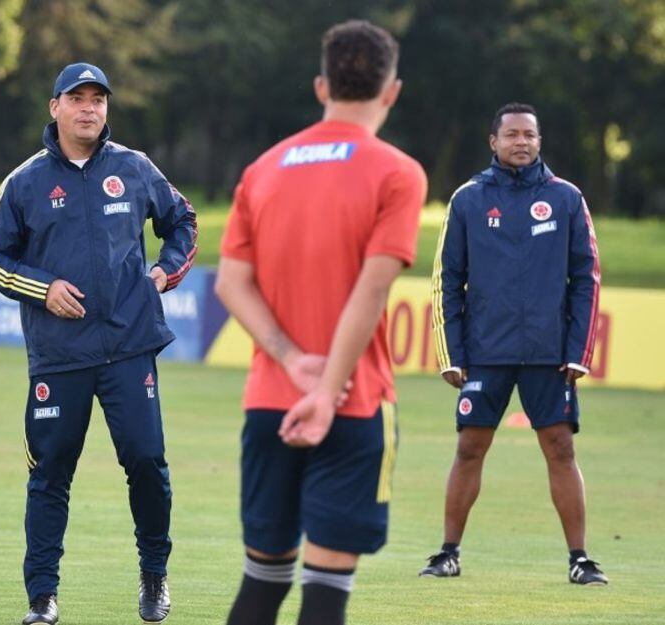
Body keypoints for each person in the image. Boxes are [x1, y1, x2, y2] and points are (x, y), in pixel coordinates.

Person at [215, 20, 426, 625]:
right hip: (353, 404)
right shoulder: (397, 172)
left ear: (320, 86)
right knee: (326, 592)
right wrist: (329, 390)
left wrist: (289, 360)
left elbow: (232, 283)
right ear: (391, 91)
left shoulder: (264, 168)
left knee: (261, 583)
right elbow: (372, 287)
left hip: (271, 403)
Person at [0, 61, 197, 625]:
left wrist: (164, 272)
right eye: (77, 98)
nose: (90, 108)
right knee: (50, 474)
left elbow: (183, 222)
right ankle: (42, 598)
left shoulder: (135, 168)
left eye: (98, 98)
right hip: (60, 356)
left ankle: (154, 575)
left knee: (147, 462)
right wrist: (42, 288)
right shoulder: (24, 181)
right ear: (55, 107)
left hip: (129, 347)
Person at [420, 102, 607, 585]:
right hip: (486, 351)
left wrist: (578, 351)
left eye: (529, 135)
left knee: (561, 448)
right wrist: (451, 354)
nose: (521, 142)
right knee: (469, 449)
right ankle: (448, 553)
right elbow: (447, 280)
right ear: (494, 142)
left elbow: (587, 278)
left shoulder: (566, 198)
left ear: (540, 141)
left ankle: (580, 559)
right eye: (512, 135)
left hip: (549, 353)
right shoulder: (468, 200)